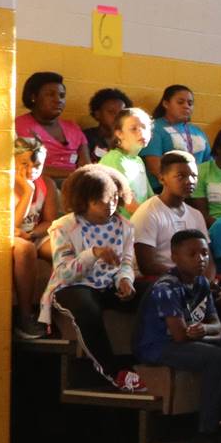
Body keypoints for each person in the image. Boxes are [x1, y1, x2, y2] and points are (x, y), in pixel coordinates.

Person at [40, 165, 143, 391]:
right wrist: (92, 254)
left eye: (115, 198)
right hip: (73, 286)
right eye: (102, 200)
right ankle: (111, 370)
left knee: (153, 292)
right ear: (85, 200)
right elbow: (64, 272)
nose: (111, 205)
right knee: (86, 307)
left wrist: (125, 280)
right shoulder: (64, 226)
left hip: (109, 285)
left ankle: (145, 356)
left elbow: (126, 262)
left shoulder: (125, 226)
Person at [134, 229, 221, 443]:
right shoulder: (166, 287)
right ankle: (205, 432)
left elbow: (216, 324)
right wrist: (203, 333)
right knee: (216, 359)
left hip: (185, 341)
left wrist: (203, 329)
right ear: (175, 257)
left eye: (205, 253)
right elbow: (179, 335)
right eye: (193, 254)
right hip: (158, 346)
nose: (201, 259)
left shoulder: (202, 284)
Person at [11, 135, 60, 339]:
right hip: (9, 234)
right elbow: (10, 225)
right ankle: (24, 316)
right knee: (25, 249)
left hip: (33, 233)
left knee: (62, 246)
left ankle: (56, 309)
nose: (31, 170)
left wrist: (32, 234)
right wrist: (27, 193)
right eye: (24, 164)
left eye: (37, 165)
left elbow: (49, 221)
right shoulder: (3, 182)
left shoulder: (46, 183)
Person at [131, 151, 207, 281]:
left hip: (188, 278)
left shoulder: (196, 215)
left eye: (194, 176)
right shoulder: (148, 213)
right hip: (156, 282)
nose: (190, 181)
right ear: (162, 178)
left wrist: (206, 283)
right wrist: (186, 276)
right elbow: (147, 266)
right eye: (180, 176)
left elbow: (207, 258)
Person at [16, 71, 89, 186]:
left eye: (62, 96)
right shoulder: (20, 126)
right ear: (33, 97)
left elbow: (86, 166)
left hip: (75, 183)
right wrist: (74, 173)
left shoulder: (73, 128)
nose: (58, 100)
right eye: (50, 94)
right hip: (40, 183)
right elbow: (29, 168)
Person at [143, 83, 210, 187]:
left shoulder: (198, 131)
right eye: (180, 102)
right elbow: (154, 165)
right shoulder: (154, 128)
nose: (186, 106)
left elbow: (208, 163)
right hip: (165, 189)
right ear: (166, 104)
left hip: (195, 189)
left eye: (190, 103)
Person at [98, 106, 154, 208]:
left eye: (144, 127)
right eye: (134, 129)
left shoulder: (138, 161)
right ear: (119, 134)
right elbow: (127, 201)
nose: (141, 132)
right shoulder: (115, 159)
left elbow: (150, 196)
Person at [85, 87, 132, 164]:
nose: (117, 116)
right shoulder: (86, 137)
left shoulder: (130, 139)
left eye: (121, 113)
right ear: (97, 114)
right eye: (111, 112)